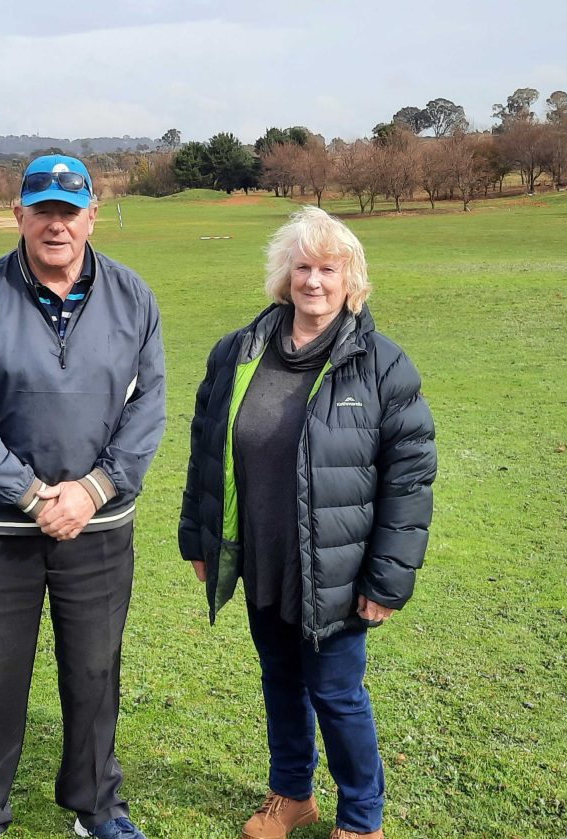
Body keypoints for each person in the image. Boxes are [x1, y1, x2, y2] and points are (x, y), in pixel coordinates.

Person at [178, 205, 436, 839]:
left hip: (337, 570)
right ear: (283, 276)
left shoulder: (381, 365)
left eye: (329, 267)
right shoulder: (238, 352)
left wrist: (386, 581)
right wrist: (199, 535)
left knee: (338, 694)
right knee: (280, 680)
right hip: (263, 555)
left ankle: (362, 819)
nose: (314, 281)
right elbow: (206, 447)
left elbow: (409, 478)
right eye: (302, 267)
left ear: (351, 278)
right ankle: (293, 796)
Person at [0, 154, 166, 839]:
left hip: (98, 526)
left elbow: (148, 407)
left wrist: (93, 490)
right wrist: (34, 495)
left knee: (95, 673)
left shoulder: (134, 297)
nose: (57, 225)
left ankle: (97, 808)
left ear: (93, 216)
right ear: (19, 216)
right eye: (43, 210)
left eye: (71, 212)